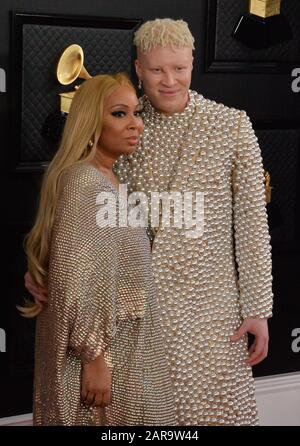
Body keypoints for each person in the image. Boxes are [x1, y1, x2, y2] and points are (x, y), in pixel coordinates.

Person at [25, 19, 274, 426]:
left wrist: (258, 308)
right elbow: (80, 205)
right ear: (139, 68)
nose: (170, 80)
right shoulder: (122, 120)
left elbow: (251, 220)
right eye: (158, 70)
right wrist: (45, 265)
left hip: (210, 310)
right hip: (131, 311)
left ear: (193, 62)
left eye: (179, 68)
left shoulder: (232, 124)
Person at [20, 73, 175, 426]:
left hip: (129, 353)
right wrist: (93, 358)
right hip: (107, 362)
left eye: (136, 113)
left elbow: (84, 266)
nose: (135, 124)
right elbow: (78, 280)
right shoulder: (85, 182)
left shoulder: (109, 180)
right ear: (91, 122)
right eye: (120, 114)